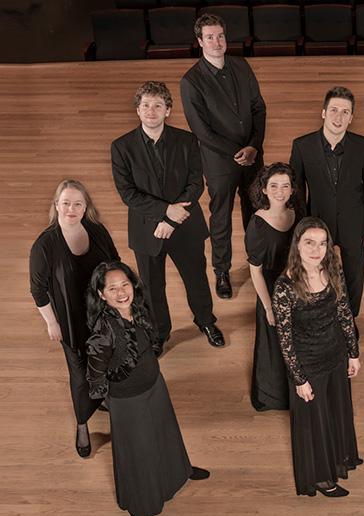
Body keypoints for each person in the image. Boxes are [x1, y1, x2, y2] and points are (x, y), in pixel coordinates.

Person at [85, 261, 210, 516]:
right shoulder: (103, 332)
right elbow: (95, 380)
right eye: (112, 288)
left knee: (166, 434)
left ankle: (180, 474)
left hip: (154, 385)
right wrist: (116, 405)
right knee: (138, 453)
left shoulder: (138, 310)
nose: (121, 293)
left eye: (125, 285)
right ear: (101, 294)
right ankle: (138, 503)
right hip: (127, 400)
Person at [110, 81, 224, 348]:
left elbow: (196, 184)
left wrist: (172, 219)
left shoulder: (186, 141)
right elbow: (128, 193)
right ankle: (160, 333)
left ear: (167, 110)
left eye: (157, 105)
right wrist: (164, 212)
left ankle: (206, 321)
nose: (151, 110)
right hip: (147, 228)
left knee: (196, 279)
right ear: (137, 110)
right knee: (151, 287)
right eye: (146, 105)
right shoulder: (122, 147)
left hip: (185, 225)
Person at [272, 217, 362, 497]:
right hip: (308, 365)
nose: (317, 249)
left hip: (335, 355)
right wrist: (299, 379)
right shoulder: (284, 288)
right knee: (315, 424)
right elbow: (284, 340)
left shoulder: (332, 269)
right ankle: (322, 479)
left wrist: (353, 353)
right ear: (297, 244)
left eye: (322, 243)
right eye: (309, 242)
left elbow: (344, 313)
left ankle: (339, 459)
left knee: (336, 412)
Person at [29, 180, 119, 458]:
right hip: (71, 322)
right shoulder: (45, 245)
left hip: (104, 315)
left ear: (85, 207)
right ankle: (82, 424)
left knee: (110, 362)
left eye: (78, 203)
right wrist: (51, 323)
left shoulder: (97, 230)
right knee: (80, 377)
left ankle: (107, 399)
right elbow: (38, 289)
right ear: (56, 205)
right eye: (66, 203)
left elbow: (115, 264)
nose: (71, 208)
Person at [181, 13, 267, 299]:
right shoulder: (191, 81)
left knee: (257, 212)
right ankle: (221, 271)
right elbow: (201, 131)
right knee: (221, 218)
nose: (217, 42)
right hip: (220, 162)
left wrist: (254, 145)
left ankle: (259, 263)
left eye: (220, 36)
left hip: (253, 154)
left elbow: (258, 108)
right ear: (199, 42)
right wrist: (236, 152)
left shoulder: (242, 66)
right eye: (209, 37)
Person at [290, 86, 364, 319]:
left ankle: (350, 318)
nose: (338, 117)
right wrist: (300, 229)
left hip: (354, 223)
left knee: (354, 275)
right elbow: (297, 192)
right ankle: (325, 316)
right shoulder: (302, 146)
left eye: (345, 112)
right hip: (318, 222)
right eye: (334, 110)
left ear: (351, 118)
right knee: (318, 272)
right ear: (323, 113)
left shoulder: (363, 146)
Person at [246, 162, 300, 411]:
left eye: (285, 186)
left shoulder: (296, 212)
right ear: (265, 190)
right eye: (274, 186)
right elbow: (255, 270)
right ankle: (274, 396)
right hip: (270, 288)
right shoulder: (257, 225)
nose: (280, 191)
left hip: (296, 283)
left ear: (292, 190)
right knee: (275, 342)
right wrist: (268, 308)